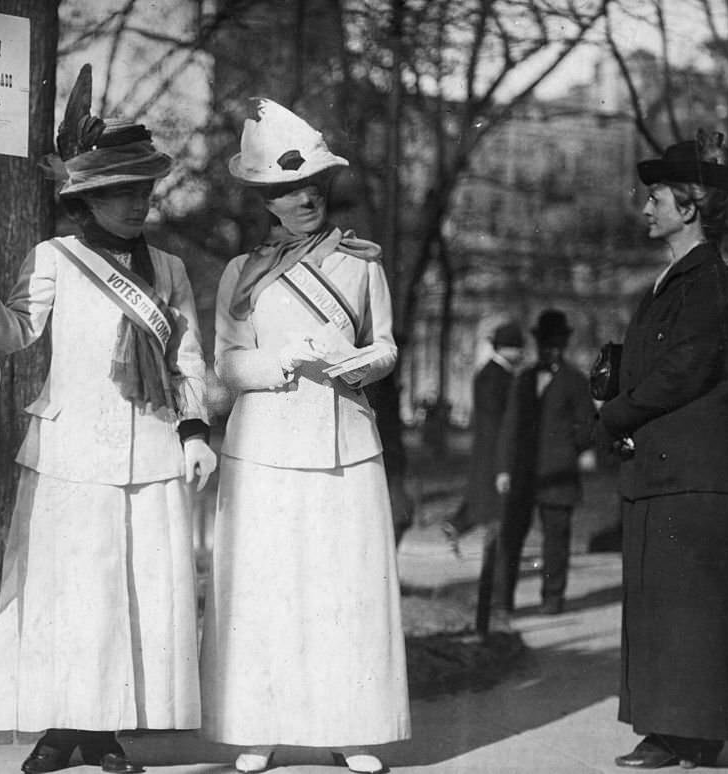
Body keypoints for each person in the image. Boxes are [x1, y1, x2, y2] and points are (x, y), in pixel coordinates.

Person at [0, 65, 217, 774]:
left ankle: (106, 728)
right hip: (71, 449)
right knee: (66, 590)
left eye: (143, 192)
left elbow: (190, 358)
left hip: (152, 451)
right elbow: (14, 336)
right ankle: (59, 727)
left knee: (130, 593)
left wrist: (196, 432)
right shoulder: (54, 259)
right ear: (90, 198)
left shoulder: (166, 270)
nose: (136, 205)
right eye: (120, 194)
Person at [199, 98, 411, 774]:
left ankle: (349, 725)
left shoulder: (361, 264)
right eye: (286, 191)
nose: (303, 200)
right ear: (267, 200)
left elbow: (385, 344)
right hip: (265, 446)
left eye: (311, 186)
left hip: (344, 440)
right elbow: (226, 365)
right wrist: (283, 361)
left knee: (342, 587)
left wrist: (367, 362)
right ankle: (259, 726)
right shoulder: (242, 274)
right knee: (266, 587)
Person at [599, 130, 728, 769]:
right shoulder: (677, 279)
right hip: (665, 469)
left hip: (687, 473)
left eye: (655, 197)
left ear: (688, 207)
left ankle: (687, 733)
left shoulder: (708, 279)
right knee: (666, 602)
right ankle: (672, 729)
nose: (645, 207)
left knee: (687, 606)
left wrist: (616, 410)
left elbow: (687, 368)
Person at [491, 309, 595, 619]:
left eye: (556, 344)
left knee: (556, 540)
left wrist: (568, 450)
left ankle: (552, 598)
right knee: (510, 537)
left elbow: (587, 426)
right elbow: (509, 426)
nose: (550, 349)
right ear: (537, 344)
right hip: (522, 473)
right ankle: (502, 602)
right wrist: (503, 468)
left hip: (559, 473)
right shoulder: (523, 379)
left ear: (564, 345)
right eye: (545, 343)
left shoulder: (576, 381)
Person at [464, 320, 525, 636]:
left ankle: (494, 605)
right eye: (518, 347)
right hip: (495, 465)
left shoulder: (489, 373)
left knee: (497, 536)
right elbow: (503, 427)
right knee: (497, 536)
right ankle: (494, 606)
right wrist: (503, 468)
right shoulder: (498, 378)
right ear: (509, 349)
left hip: (490, 462)